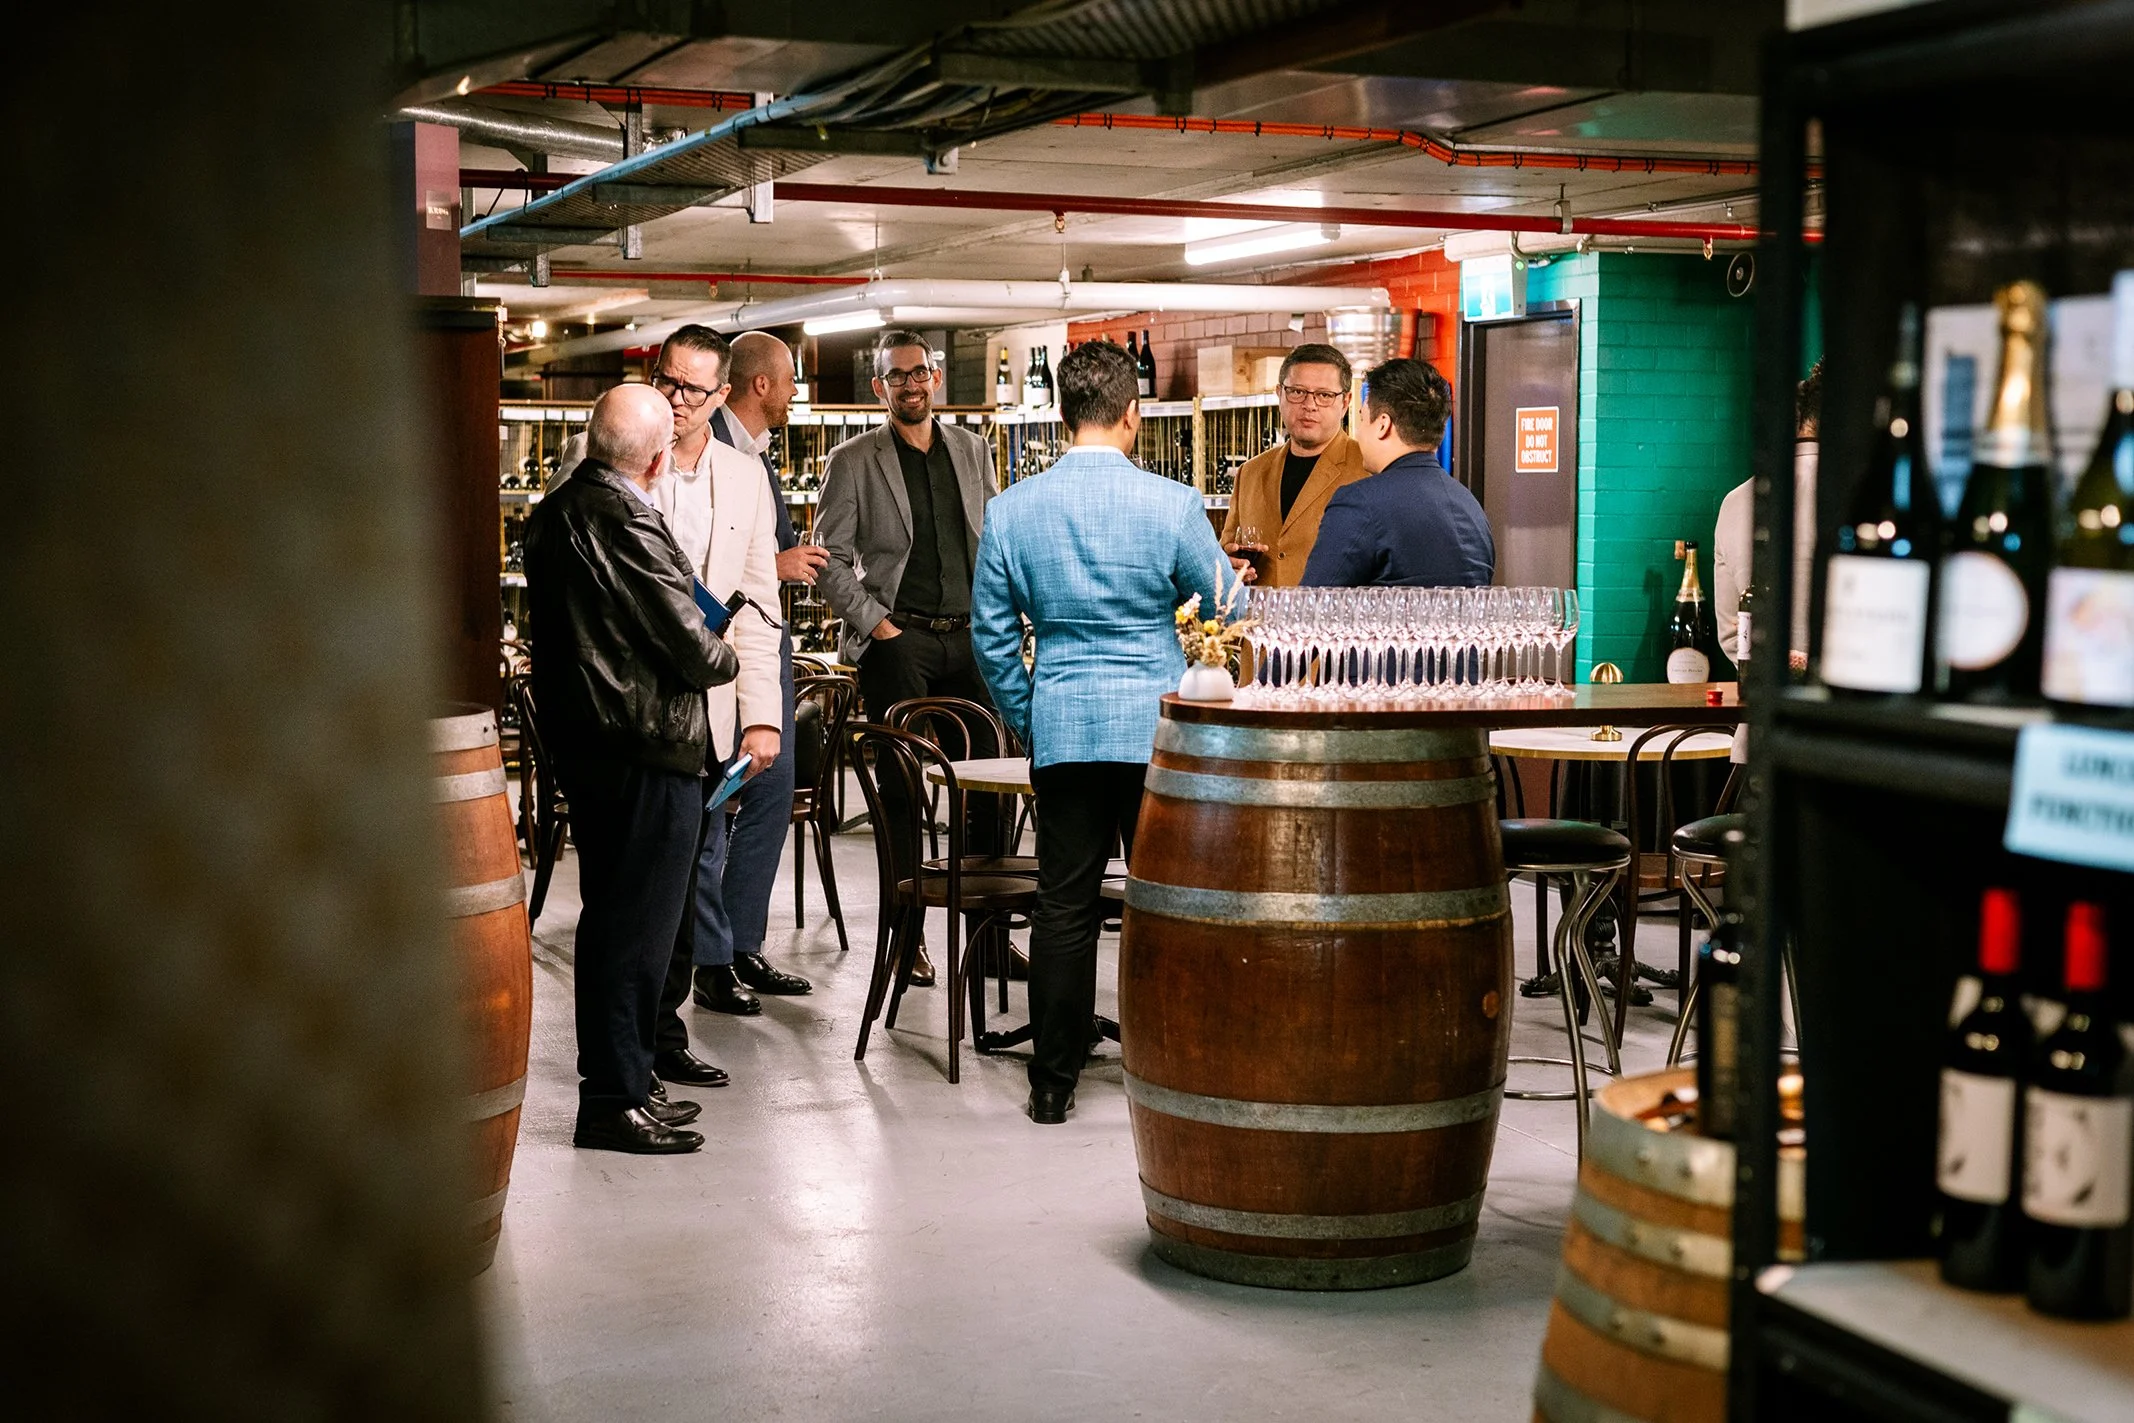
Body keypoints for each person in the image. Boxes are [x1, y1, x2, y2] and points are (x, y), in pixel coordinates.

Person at [970, 340, 1225, 1125]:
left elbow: (989, 637)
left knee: (1064, 904)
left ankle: (1052, 1082)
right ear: (1132, 414)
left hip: (1065, 724)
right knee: (1162, 902)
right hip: (1154, 728)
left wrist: (1030, 709)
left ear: (1058, 413)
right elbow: (1224, 604)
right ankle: (1171, 1060)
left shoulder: (1012, 510)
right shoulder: (1172, 503)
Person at [523, 384, 738, 1155]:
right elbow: (695, 647)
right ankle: (614, 1098)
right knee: (636, 929)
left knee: (614, 919)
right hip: (647, 744)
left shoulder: (552, 514)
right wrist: (727, 649)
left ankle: (629, 1079)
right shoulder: (627, 520)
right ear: (654, 459)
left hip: (591, 745)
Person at [622, 327, 800, 1064]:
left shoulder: (743, 473)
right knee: (640, 889)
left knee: (694, 871)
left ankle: (666, 1038)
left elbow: (759, 604)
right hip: (634, 704)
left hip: (713, 706)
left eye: (694, 389)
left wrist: (762, 716)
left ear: (722, 395)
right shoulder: (623, 464)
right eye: (668, 380)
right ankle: (628, 1054)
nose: (677, 398)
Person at [815, 330, 1001, 987]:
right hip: (901, 639)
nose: (911, 384)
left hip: (970, 635)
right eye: (898, 377)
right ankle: (904, 941)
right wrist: (878, 624)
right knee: (900, 791)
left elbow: (992, 538)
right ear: (880, 387)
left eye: (919, 372)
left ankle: (989, 940)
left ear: (937, 377)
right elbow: (828, 559)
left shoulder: (974, 451)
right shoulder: (853, 458)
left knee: (992, 785)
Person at [697, 330, 829, 1012]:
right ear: (761, 386)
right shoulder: (708, 448)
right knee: (720, 800)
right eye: (789, 382)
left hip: (765, 644)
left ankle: (740, 942)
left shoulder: (755, 454)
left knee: (772, 792)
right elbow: (705, 560)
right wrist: (776, 566)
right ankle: (712, 958)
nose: (795, 394)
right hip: (726, 650)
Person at [1300, 357, 1494, 589]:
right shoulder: (1470, 505)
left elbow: (1310, 608)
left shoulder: (1360, 502)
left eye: (1362, 419)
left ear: (1383, 424)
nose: (1359, 433)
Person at [1219, 343, 1372, 586]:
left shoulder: (1368, 469)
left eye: (1324, 395)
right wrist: (1228, 563)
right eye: (1297, 392)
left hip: (1332, 621)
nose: (1309, 405)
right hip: (1259, 620)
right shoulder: (1251, 472)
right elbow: (1225, 553)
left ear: (1345, 402)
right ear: (1279, 393)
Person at [1715, 359, 1820, 671]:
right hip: (1850, 712)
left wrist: (1788, 667)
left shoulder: (1735, 501)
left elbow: (1733, 635)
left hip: (1764, 711)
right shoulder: (1858, 496)